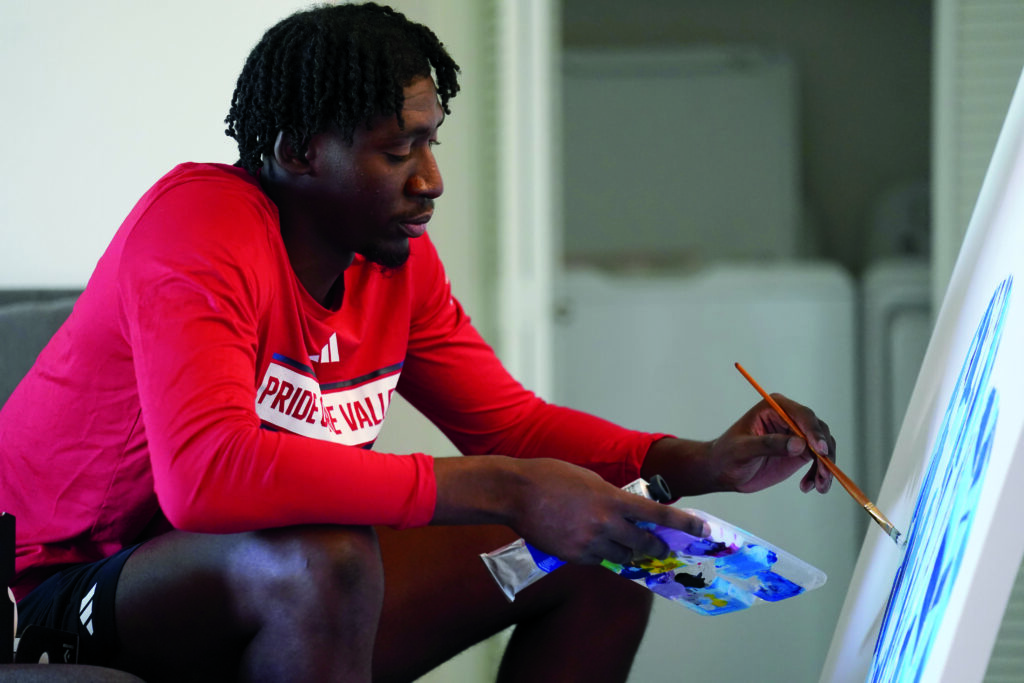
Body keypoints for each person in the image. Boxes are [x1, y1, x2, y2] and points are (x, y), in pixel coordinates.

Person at [0, 3, 837, 682]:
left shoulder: (392, 261)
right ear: (298, 150)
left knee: (597, 544)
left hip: (268, 583)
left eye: (431, 142)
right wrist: (506, 487)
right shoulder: (198, 227)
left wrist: (699, 460)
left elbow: (512, 427)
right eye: (399, 151)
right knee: (324, 553)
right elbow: (208, 474)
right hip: (62, 592)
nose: (431, 180)